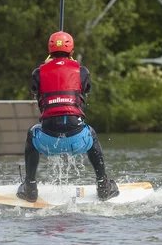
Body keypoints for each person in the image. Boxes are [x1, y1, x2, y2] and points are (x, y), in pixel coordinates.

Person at [16, 31, 120, 202]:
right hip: (77, 140)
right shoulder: (82, 71)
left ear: (49, 50)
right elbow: (85, 89)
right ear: (72, 50)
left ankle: (30, 187)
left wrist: (49, 66)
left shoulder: (38, 72)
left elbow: (35, 90)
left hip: (47, 140)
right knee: (92, 133)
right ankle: (103, 186)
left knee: (31, 133)